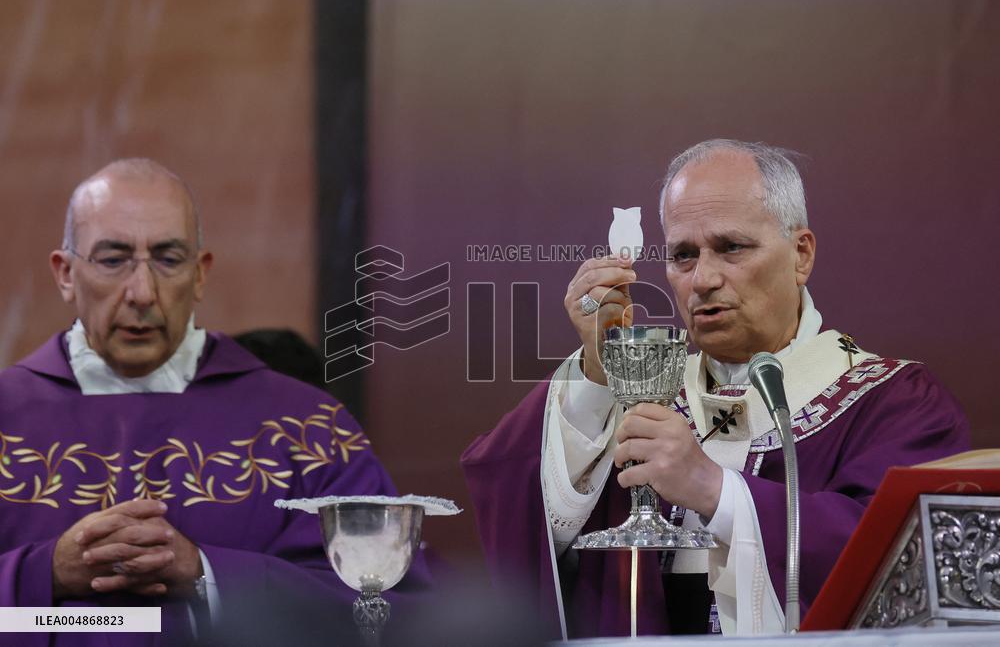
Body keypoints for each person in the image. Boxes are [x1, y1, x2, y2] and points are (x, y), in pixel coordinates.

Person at [461, 139, 970, 638]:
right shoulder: (643, 396)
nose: (702, 279)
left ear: (801, 254)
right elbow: (516, 508)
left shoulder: (893, 401)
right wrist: (598, 371)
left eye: (731, 248)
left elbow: (905, 562)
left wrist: (715, 490)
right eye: (683, 255)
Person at [0, 159, 430, 644]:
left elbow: (397, 610)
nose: (142, 293)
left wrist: (205, 573)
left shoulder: (308, 429)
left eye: (168, 258)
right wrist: (45, 574)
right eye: (113, 259)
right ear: (65, 274)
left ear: (200, 274)